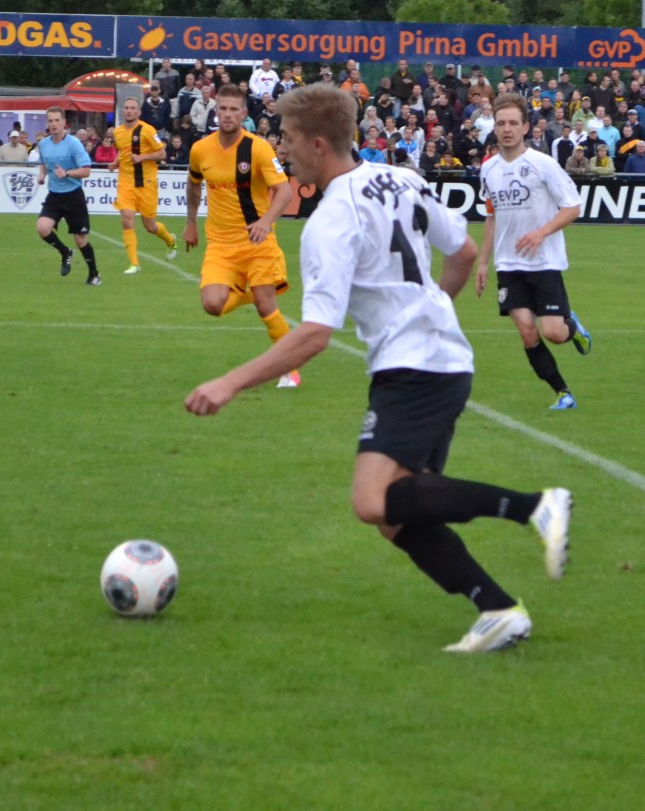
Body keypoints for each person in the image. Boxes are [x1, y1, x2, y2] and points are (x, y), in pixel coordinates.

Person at [184, 83, 573, 652]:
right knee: (398, 512)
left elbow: (315, 335)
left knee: (371, 501)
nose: (282, 149)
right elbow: (463, 253)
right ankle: (497, 610)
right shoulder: (401, 177)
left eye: (289, 139)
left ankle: (535, 507)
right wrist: (430, 308)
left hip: (414, 369)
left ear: (318, 144)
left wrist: (229, 382)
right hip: (440, 358)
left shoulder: (329, 221)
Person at [476, 94, 592, 412]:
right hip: (508, 264)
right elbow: (491, 215)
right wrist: (483, 262)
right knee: (527, 331)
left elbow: (573, 207)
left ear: (526, 127)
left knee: (553, 332)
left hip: (543, 261)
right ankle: (563, 393)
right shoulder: (488, 170)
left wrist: (542, 232)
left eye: (513, 123)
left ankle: (573, 327)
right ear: (494, 128)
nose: (507, 129)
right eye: (501, 123)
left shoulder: (543, 165)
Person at [184, 84, 299, 386]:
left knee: (266, 307)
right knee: (212, 305)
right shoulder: (200, 149)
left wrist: (265, 221)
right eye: (222, 108)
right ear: (215, 111)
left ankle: (289, 369)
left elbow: (284, 191)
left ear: (244, 114)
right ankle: (253, 294)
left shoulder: (258, 148)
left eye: (234, 109)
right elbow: (193, 183)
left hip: (257, 241)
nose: (227, 114)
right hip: (220, 245)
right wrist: (191, 222)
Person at [110, 96, 179, 274]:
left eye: (133, 108)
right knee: (126, 219)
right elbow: (123, 151)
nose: (129, 111)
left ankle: (170, 240)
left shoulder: (148, 130)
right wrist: (115, 161)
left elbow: (162, 154)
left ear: (139, 112)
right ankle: (134, 263)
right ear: (122, 111)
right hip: (126, 183)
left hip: (146, 184)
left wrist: (142, 158)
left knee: (150, 227)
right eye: (126, 108)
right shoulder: (117, 132)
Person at [34, 107, 102, 285]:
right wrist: (42, 175)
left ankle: (94, 274)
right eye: (51, 121)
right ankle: (65, 252)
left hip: (73, 196)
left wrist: (68, 173)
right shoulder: (43, 144)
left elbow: (86, 171)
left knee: (80, 240)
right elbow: (43, 163)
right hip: (55, 196)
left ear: (64, 122)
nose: (54, 124)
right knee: (42, 228)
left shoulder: (73, 143)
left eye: (57, 120)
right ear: (47, 123)